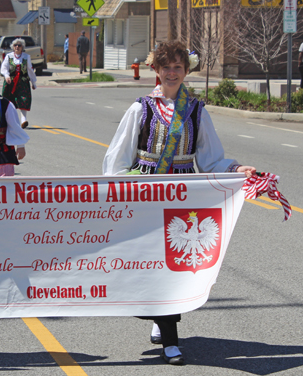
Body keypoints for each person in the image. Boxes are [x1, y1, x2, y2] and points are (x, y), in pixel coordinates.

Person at [102, 41, 256, 365]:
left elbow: (211, 158)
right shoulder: (140, 109)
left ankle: (168, 331)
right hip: (146, 195)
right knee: (150, 264)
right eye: (166, 66)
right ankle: (165, 327)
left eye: (178, 67)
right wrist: (117, 193)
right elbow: (117, 158)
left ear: (186, 71)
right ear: (156, 70)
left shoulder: (196, 111)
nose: (171, 73)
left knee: (174, 265)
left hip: (182, 197)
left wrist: (235, 169)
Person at [0, 38, 37, 129]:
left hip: (22, 82)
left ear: (22, 47)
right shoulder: (9, 56)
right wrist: (7, 76)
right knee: (9, 101)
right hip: (10, 82)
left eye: (19, 45)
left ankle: (23, 120)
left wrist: (33, 81)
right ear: (13, 47)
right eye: (15, 45)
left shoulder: (26, 57)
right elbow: (4, 68)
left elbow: (30, 70)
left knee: (23, 100)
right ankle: (9, 120)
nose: (17, 47)